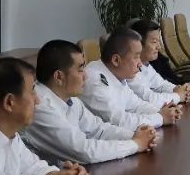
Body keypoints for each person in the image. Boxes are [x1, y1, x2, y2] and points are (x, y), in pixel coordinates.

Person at [22, 39, 158, 165]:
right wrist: (136, 144)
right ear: (59, 77)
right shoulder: (39, 106)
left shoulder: (71, 100)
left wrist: (135, 136)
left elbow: (98, 130)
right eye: (80, 69)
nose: (85, 75)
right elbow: (84, 151)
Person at [81, 28, 183, 129]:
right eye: (136, 57)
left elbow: (136, 105)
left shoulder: (116, 74)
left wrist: (163, 112)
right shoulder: (95, 80)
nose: (140, 64)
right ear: (116, 60)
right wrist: (160, 118)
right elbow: (118, 121)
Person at [129, 19, 190, 106]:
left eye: (159, 41)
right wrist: (178, 96)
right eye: (154, 42)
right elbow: (150, 99)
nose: (159, 47)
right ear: (138, 44)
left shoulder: (145, 64)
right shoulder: (128, 69)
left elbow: (160, 85)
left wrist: (179, 89)